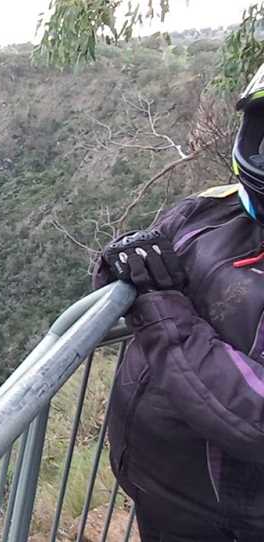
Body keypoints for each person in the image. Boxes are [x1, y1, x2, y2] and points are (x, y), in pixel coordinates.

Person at [94, 64, 264, 541]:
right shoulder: (208, 209)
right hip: (155, 486)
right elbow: (136, 269)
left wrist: (158, 306)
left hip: (230, 521)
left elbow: (254, 416)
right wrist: (122, 256)